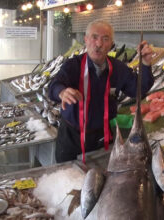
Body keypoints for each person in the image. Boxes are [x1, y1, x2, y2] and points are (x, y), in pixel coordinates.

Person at [48, 19, 154, 163]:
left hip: (101, 137)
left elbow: (138, 90)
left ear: (111, 44)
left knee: (102, 179)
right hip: (71, 137)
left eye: (105, 39)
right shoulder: (73, 65)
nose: (99, 44)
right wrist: (61, 92)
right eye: (94, 37)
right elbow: (54, 85)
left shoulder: (117, 68)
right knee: (68, 180)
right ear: (86, 40)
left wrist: (146, 64)